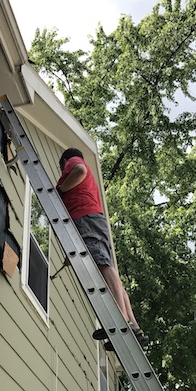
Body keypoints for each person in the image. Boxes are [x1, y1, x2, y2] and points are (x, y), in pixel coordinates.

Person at [56, 148, 148, 347]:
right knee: (108, 268)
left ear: (64, 161)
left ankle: (121, 320)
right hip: (92, 219)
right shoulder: (88, 184)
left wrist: (62, 189)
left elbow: (79, 170)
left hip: (86, 218)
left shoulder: (73, 161)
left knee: (104, 266)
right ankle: (132, 324)